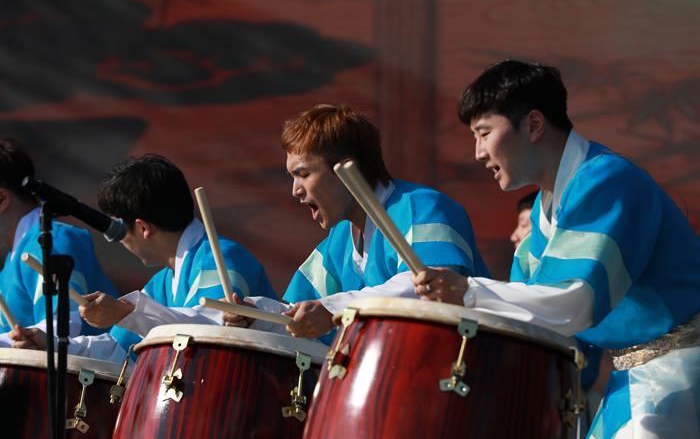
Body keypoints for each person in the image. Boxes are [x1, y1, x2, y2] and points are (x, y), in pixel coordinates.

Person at [410, 60, 700, 439]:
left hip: (680, 374)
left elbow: (572, 301)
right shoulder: (541, 225)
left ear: (533, 124)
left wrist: (468, 291)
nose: (479, 152)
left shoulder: (607, 180)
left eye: (484, 133)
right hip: (638, 377)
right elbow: (531, 325)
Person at [224, 104, 491, 342]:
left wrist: (334, 310)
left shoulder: (424, 207)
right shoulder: (338, 241)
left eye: (303, 174)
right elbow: (302, 312)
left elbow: (429, 288)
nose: (296, 190)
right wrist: (260, 317)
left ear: (346, 169)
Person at [11, 154, 277, 361]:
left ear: (143, 227)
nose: (119, 240)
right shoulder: (160, 283)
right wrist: (52, 346)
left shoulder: (221, 258)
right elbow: (118, 349)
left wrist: (127, 311)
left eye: (117, 230)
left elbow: (210, 329)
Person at [0, 138, 118, 347]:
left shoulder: (52, 243)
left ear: (2, 198)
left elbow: (64, 326)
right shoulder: (13, 259)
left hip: (93, 376)